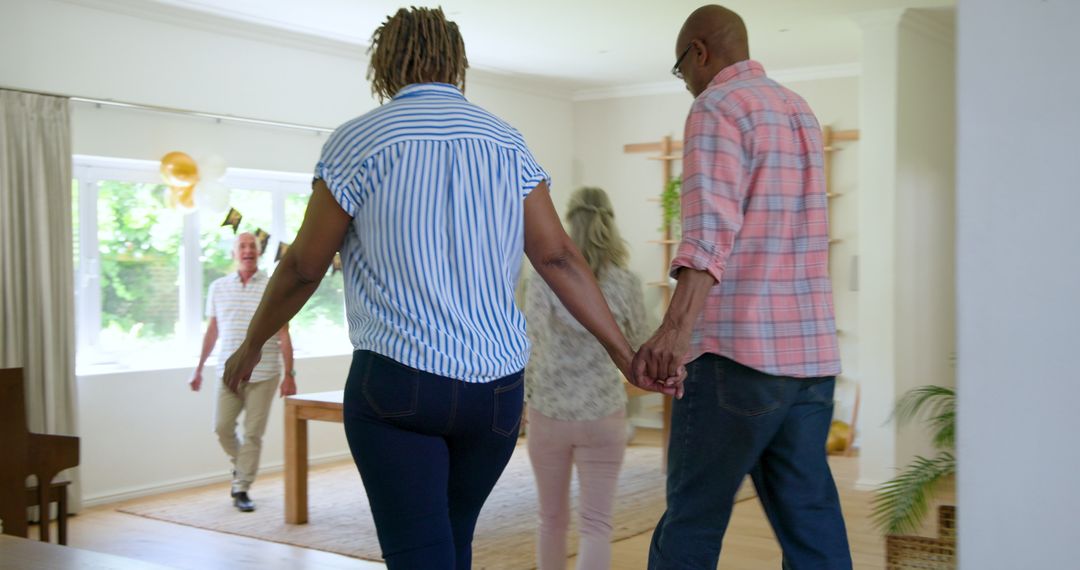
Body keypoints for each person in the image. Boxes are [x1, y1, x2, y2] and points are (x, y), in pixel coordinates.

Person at [220, 7, 680, 569]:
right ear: (456, 63)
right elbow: (558, 256)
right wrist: (623, 353)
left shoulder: (359, 141)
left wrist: (252, 342)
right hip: (495, 394)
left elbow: (302, 267)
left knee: (423, 554)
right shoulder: (506, 142)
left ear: (384, 64)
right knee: (449, 544)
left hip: (398, 383)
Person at [633, 5, 852, 569]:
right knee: (812, 528)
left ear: (699, 52)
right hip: (810, 362)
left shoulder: (717, 106)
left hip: (738, 359)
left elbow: (709, 231)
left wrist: (673, 333)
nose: (686, 84)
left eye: (682, 71)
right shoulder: (797, 109)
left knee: (692, 522)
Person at [524, 187, 649, 570]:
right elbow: (641, 342)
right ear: (609, 223)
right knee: (597, 524)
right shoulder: (625, 282)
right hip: (603, 413)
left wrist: (525, 402)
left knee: (551, 521)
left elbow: (530, 345)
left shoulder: (542, 279)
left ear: (568, 221)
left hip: (549, 412)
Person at [189, 232, 296, 512]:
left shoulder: (273, 286)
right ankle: (242, 467)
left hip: (265, 372)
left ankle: (242, 488)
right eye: (242, 246)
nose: (248, 250)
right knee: (222, 428)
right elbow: (212, 331)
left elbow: (284, 333)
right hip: (229, 371)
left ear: (259, 253)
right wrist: (198, 368)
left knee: (252, 434)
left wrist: (290, 374)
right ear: (234, 253)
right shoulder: (218, 287)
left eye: (253, 246)